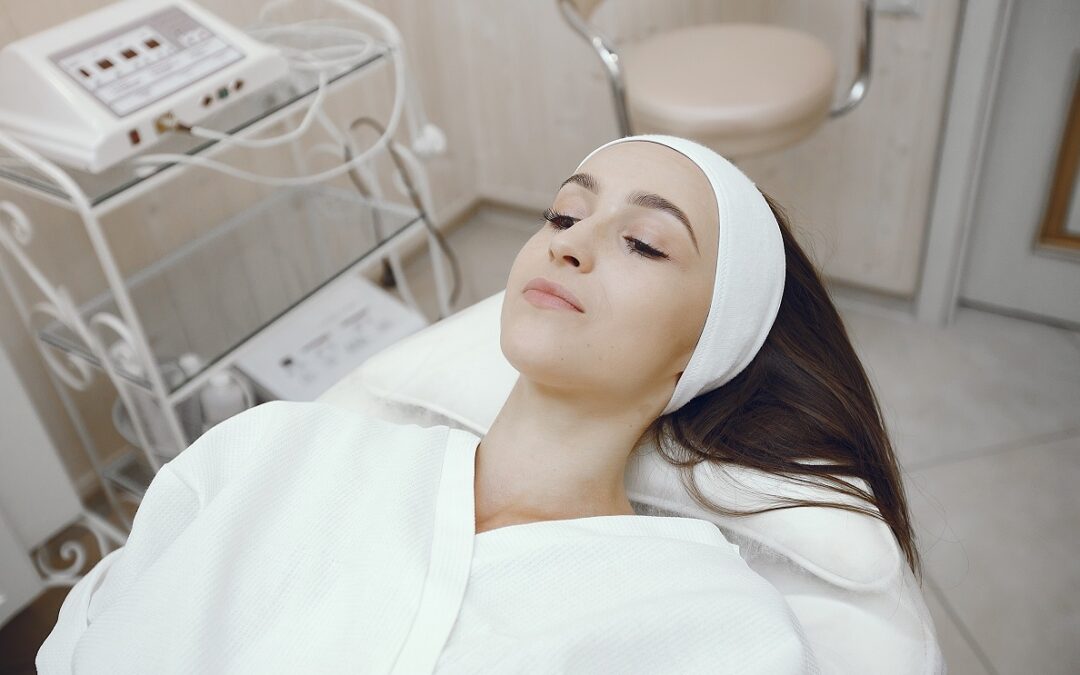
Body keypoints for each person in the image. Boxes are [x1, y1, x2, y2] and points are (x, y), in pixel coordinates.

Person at [37, 133, 915, 673]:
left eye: (644, 243)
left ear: (707, 347)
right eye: (564, 215)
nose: (571, 245)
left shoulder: (718, 628)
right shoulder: (274, 449)